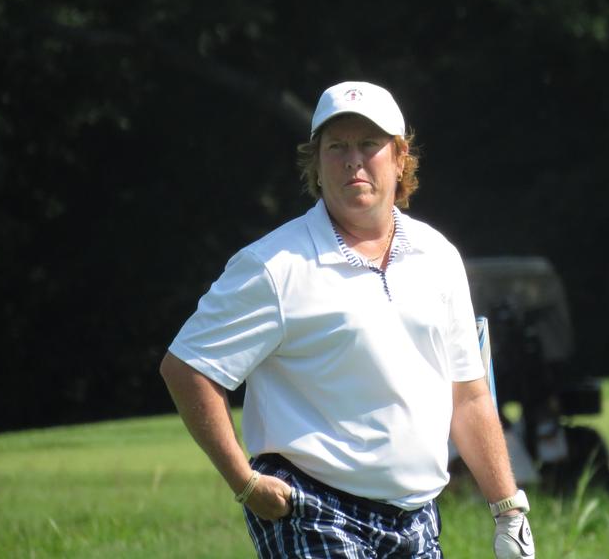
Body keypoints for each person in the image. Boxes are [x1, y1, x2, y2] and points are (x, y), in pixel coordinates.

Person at [160, 81, 535, 558]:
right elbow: (187, 367)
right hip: (310, 506)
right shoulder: (273, 265)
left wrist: (508, 510)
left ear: (399, 157)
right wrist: (244, 482)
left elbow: (469, 395)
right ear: (316, 164)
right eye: (336, 147)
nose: (352, 161)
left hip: (417, 516)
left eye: (368, 144)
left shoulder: (438, 256)